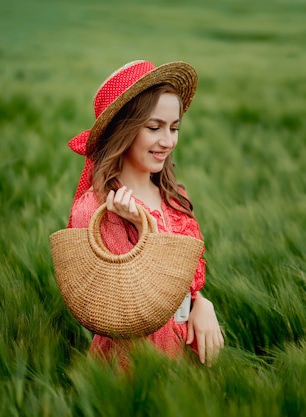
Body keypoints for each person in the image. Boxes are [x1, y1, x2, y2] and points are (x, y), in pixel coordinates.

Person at [65, 60, 224, 366]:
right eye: (154, 127)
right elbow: (131, 302)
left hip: (185, 352)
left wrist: (202, 304)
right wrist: (144, 227)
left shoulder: (174, 197)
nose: (168, 141)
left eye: (174, 127)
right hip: (134, 361)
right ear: (122, 130)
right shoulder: (97, 209)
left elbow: (182, 280)